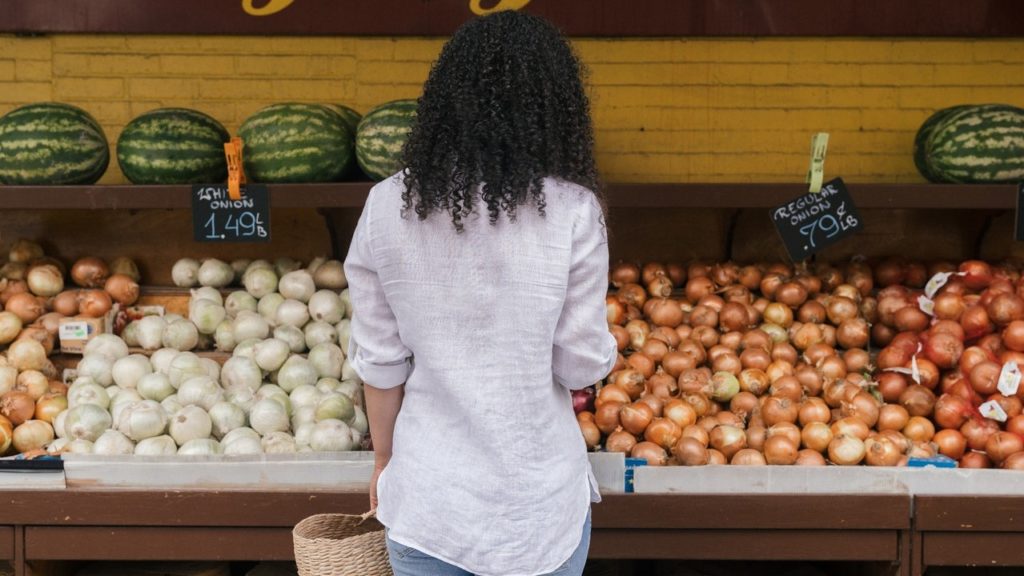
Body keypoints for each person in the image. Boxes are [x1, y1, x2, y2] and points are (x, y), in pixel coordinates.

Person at [344, 9, 617, 576]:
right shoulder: (572, 213)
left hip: (429, 501)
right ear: (553, 107)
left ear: (446, 99)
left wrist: (385, 463)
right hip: (537, 509)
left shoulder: (385, 207)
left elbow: (380, 363)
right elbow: (580, 363)